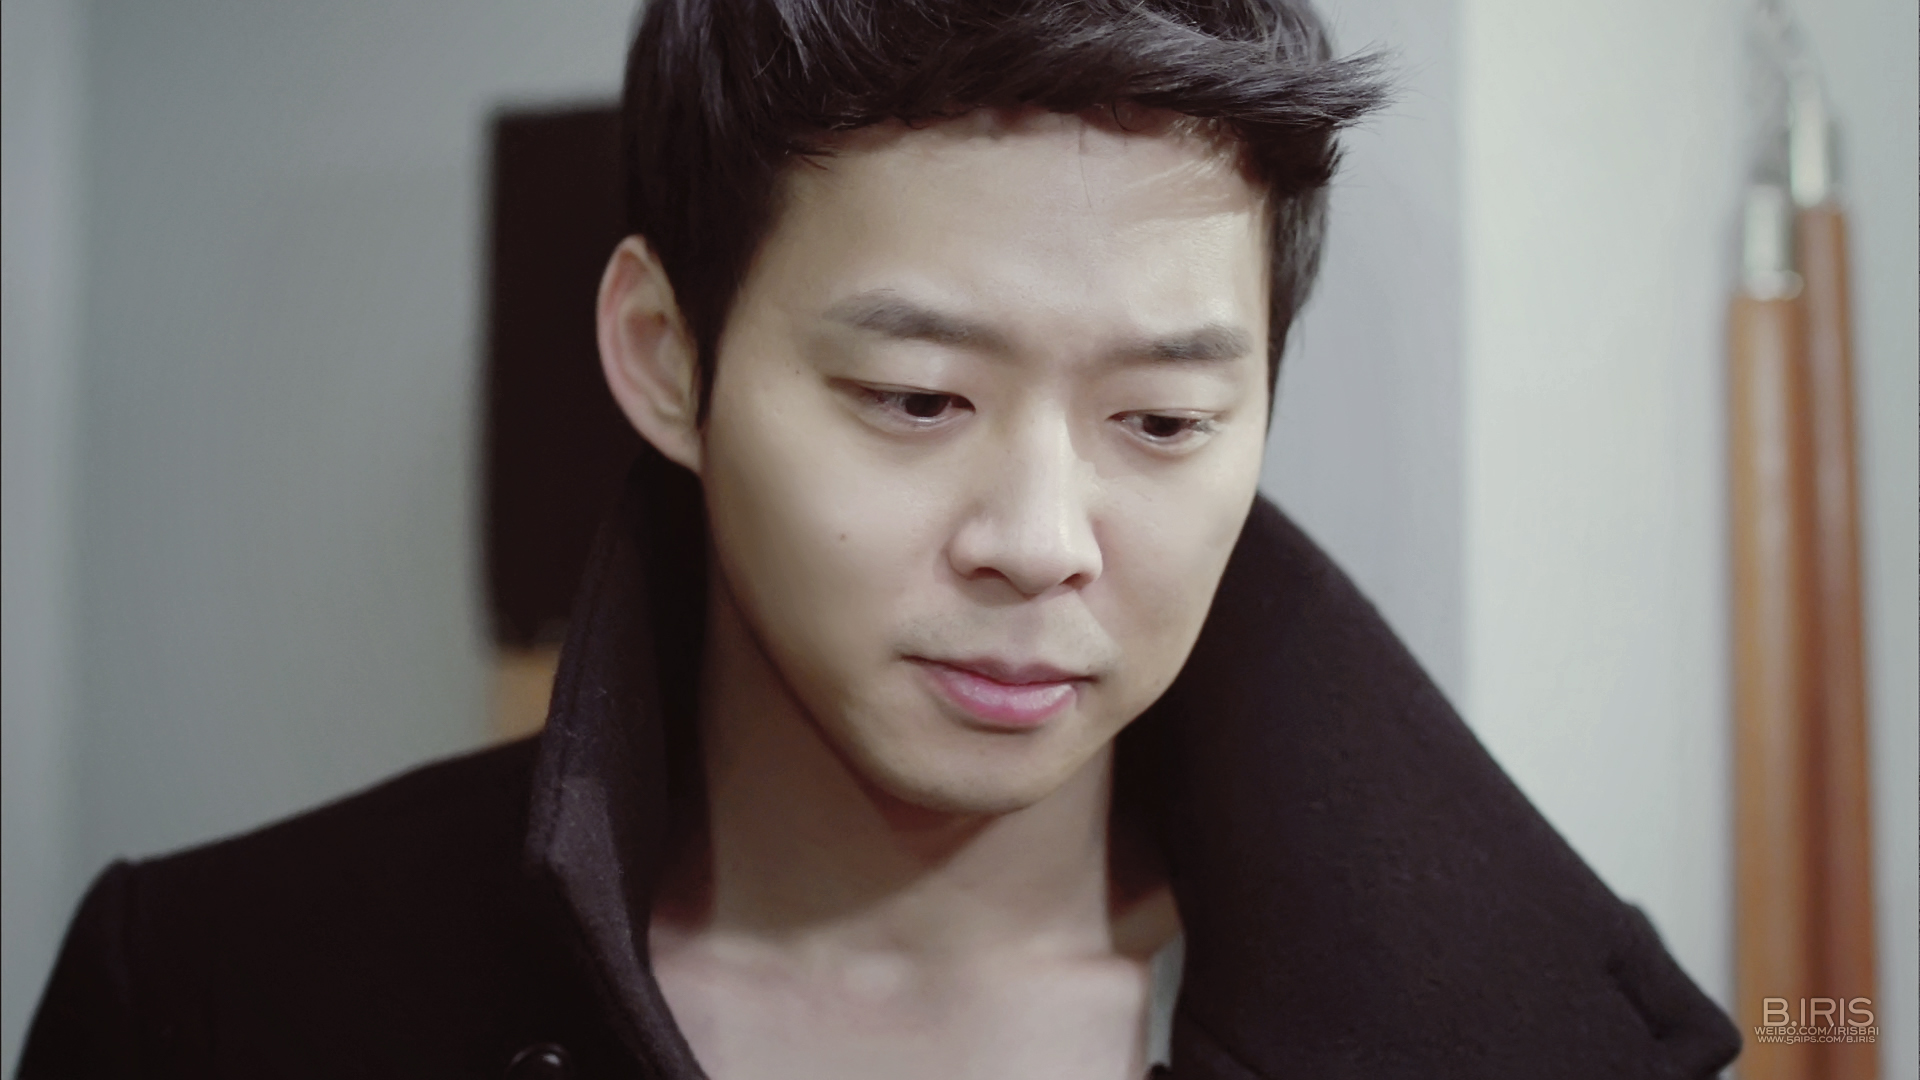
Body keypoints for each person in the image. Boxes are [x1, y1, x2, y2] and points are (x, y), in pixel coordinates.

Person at [21, 1, 1741, 1077]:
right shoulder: (222, 1002)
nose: (1040, 542)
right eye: (917, 398)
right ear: (666, 357)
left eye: (1162, 422)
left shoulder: (1537, 1031)